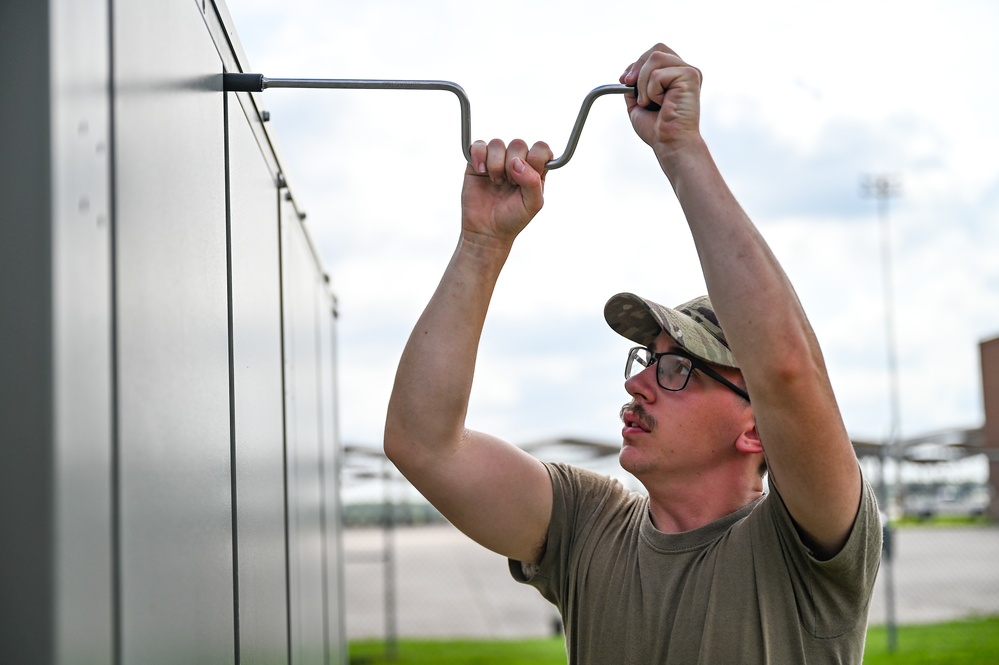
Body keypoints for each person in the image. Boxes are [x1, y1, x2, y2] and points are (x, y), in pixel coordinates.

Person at [384, 43, 882, 664]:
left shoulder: (809, 544)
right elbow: (422, 444)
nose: (639, 384)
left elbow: (784, 369)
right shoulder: (586, 525)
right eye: (646, 360)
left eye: (677, 369)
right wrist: (482, 242)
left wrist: (681, 152)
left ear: (756, 428)